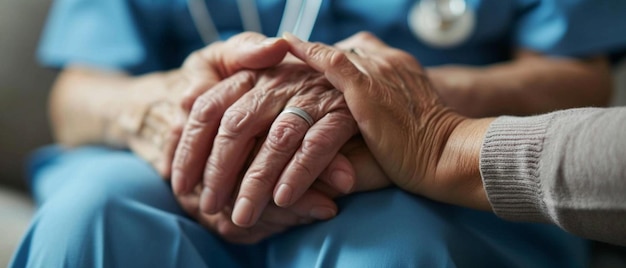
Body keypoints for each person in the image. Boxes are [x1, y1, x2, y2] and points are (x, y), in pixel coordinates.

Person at [11, 0, 626, 267]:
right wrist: (173, 114)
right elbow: (78, 93)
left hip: (413, 176)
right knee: (88, 220)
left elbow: (576, 77)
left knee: (393, 253)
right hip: (170, 161)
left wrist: (398, 104)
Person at [282, 31, 626, 246]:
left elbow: (577, 74)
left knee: (400, 251)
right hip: (243, 168)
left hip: (447, 197)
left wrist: (432, 132)